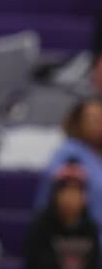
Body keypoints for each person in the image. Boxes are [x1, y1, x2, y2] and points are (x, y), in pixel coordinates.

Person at [22, 162, 100, 269]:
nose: (70, 198)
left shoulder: (91, 228)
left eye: (76, 192)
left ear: (85, 198)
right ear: (55, 195)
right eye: (65, 191)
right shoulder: (41, 227)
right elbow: (36, 267)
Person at [36, 99, 102, 233]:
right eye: (93, 119)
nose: (99, 124)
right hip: (77, 238)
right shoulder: (68, 154)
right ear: (78, 122)